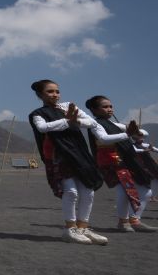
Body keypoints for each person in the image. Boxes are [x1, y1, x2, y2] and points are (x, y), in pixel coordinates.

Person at [28, 80, 106, 245]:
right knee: (71, 192)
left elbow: (92, 122)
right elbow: (43, 128)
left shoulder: (68, 106)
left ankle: (82, 228)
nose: (55, 94)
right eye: (50, 91)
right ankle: (70, 229)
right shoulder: (37, 114)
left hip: (79, 152)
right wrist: (67, 121)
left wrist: (75, 121)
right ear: (40, 95)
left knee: (88, 191)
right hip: (60, 155)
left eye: (57, 91)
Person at [84, 96, 158, 233]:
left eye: (111, 106)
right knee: (123, 191)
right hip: (111, 161)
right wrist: (128, 134)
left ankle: (134, 219)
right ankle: (123, 222)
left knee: (146, 192)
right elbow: (104, 139)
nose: (109, 109)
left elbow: (140, 134)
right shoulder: (94, 124)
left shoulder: (115, 125)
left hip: (125, 161)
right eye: (105, 107)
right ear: (94, 110)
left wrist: (137, 133)